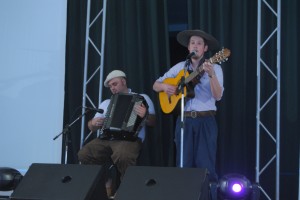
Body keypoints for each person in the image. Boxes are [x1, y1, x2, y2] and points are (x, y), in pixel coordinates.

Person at [153, 29, 224, 182]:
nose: (195, 46)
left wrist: (211, 74)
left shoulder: (215, 67)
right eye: (192, 43)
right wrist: (166, 87)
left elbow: (218, 96)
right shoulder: (180, 67)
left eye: (199, 43)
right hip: (184, 121)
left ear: (205, 48)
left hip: (205, 121)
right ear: (188, 48)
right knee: (183, 165)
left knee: (205, 167)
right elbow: (155, 85)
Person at [78, 70, 156, 198]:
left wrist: (145, 115)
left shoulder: (141, 98)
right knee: (84, 154)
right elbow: (90, 127)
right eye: (110, 87)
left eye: (114, 84)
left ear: (123, 81)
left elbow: (153, 122)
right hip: (107, 138)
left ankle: (126, 192)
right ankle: (106, 183)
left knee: (123, 155)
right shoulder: (106, 103)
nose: (112, 88)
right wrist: (94, 123)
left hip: (130, 139)